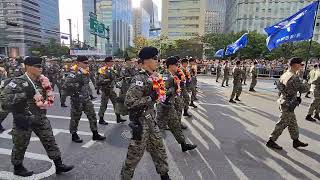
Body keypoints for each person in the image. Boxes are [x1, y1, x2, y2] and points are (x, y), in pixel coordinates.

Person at [0, 57, 74, 177]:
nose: (41, 68)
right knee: (20, 144)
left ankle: (59, 164)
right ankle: (18, 167)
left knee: (50, 140)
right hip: (24, 118)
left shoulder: (42, 80)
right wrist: (25, 94)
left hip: (40, 117)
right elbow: (4, 100)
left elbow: (48, 95)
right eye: (37, 66)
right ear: (28, 67)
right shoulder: (18, 81)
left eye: (41, 66)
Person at [121, 47, 171, 180]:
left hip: (151, 120)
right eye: (155, 58)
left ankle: (164, 175)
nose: (158, 61)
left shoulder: (153, 76)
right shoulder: (139, 78)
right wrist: (151, 98)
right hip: (141, 122)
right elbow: (129, 103)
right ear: (146, 61)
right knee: (134, 156)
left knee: (159, 149)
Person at [266, 57, 310, 150]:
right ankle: (271, 141)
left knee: (292, 123)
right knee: (282, 123)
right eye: (300, 64)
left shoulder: (286, 74)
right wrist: (306, 81)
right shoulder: (293, 77)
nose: (301, 66)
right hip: (288, 103)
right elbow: (303, 89)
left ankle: (296, 140)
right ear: (295, 65)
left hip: (285, 100)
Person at [157, 56, 197, 152]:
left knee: (175, 125)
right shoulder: (166, 76)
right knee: (158, 127)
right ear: (170, 66)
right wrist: (174, 88)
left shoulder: (173, 75)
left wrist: (179, 85)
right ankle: (150, 146)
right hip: (163, 106)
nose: (177, 66)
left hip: (169, 105)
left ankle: (183, 145)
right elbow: (163, 92)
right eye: (176, 65)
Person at [64, 56, 106, 143]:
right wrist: (77, 86)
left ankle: (95, 134)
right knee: (75, 118)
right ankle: (74, 134)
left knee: (92, 116)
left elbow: (87, 84)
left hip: (86, 98)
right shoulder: (74, 72)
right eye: (85, 62)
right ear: (78, 63)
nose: (87, 64)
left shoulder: (86, 72)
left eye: (87, 62)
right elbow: (66, 85)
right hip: (77, 99)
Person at [97, 56, 126, 125]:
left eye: (112, 61)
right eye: (110, 61)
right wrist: (108, 80)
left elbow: (115, 78)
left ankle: (118, 118)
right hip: (106, 90)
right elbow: (100, 80)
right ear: (107, 62)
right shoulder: (102, 70)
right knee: (104, 105)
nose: (112, 62)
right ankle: (101, 119)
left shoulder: (113, 69)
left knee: (116, 103)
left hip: (112, 90)